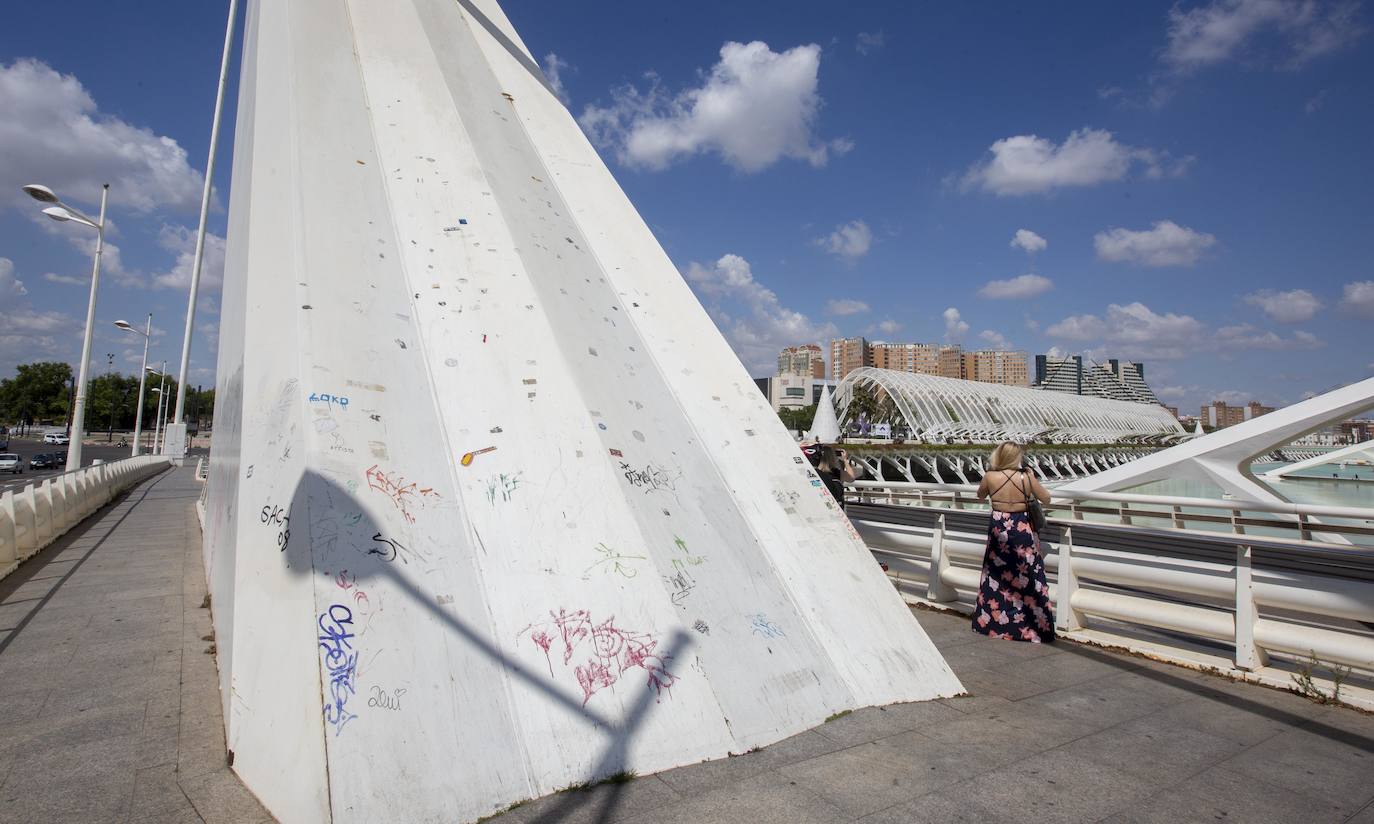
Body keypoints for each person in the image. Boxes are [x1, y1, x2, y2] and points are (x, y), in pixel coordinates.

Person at [971, 441, 1054, 643]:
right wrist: (1032, 478)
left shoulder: (990, 476)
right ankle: (1031, 627)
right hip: (1021, 528)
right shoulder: (1025, 477)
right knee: (1028, 576)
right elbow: (1047, 498)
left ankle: (993, 623)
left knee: (995, 577)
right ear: (1017, 457)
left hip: (999, 527)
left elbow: (980, 495)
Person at [815, 444, 858, 511]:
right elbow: (851, 478)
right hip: (838, 510)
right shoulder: (837, 473)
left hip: (821, 509)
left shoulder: (815, 473)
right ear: (832, 458)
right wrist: (845, 460)